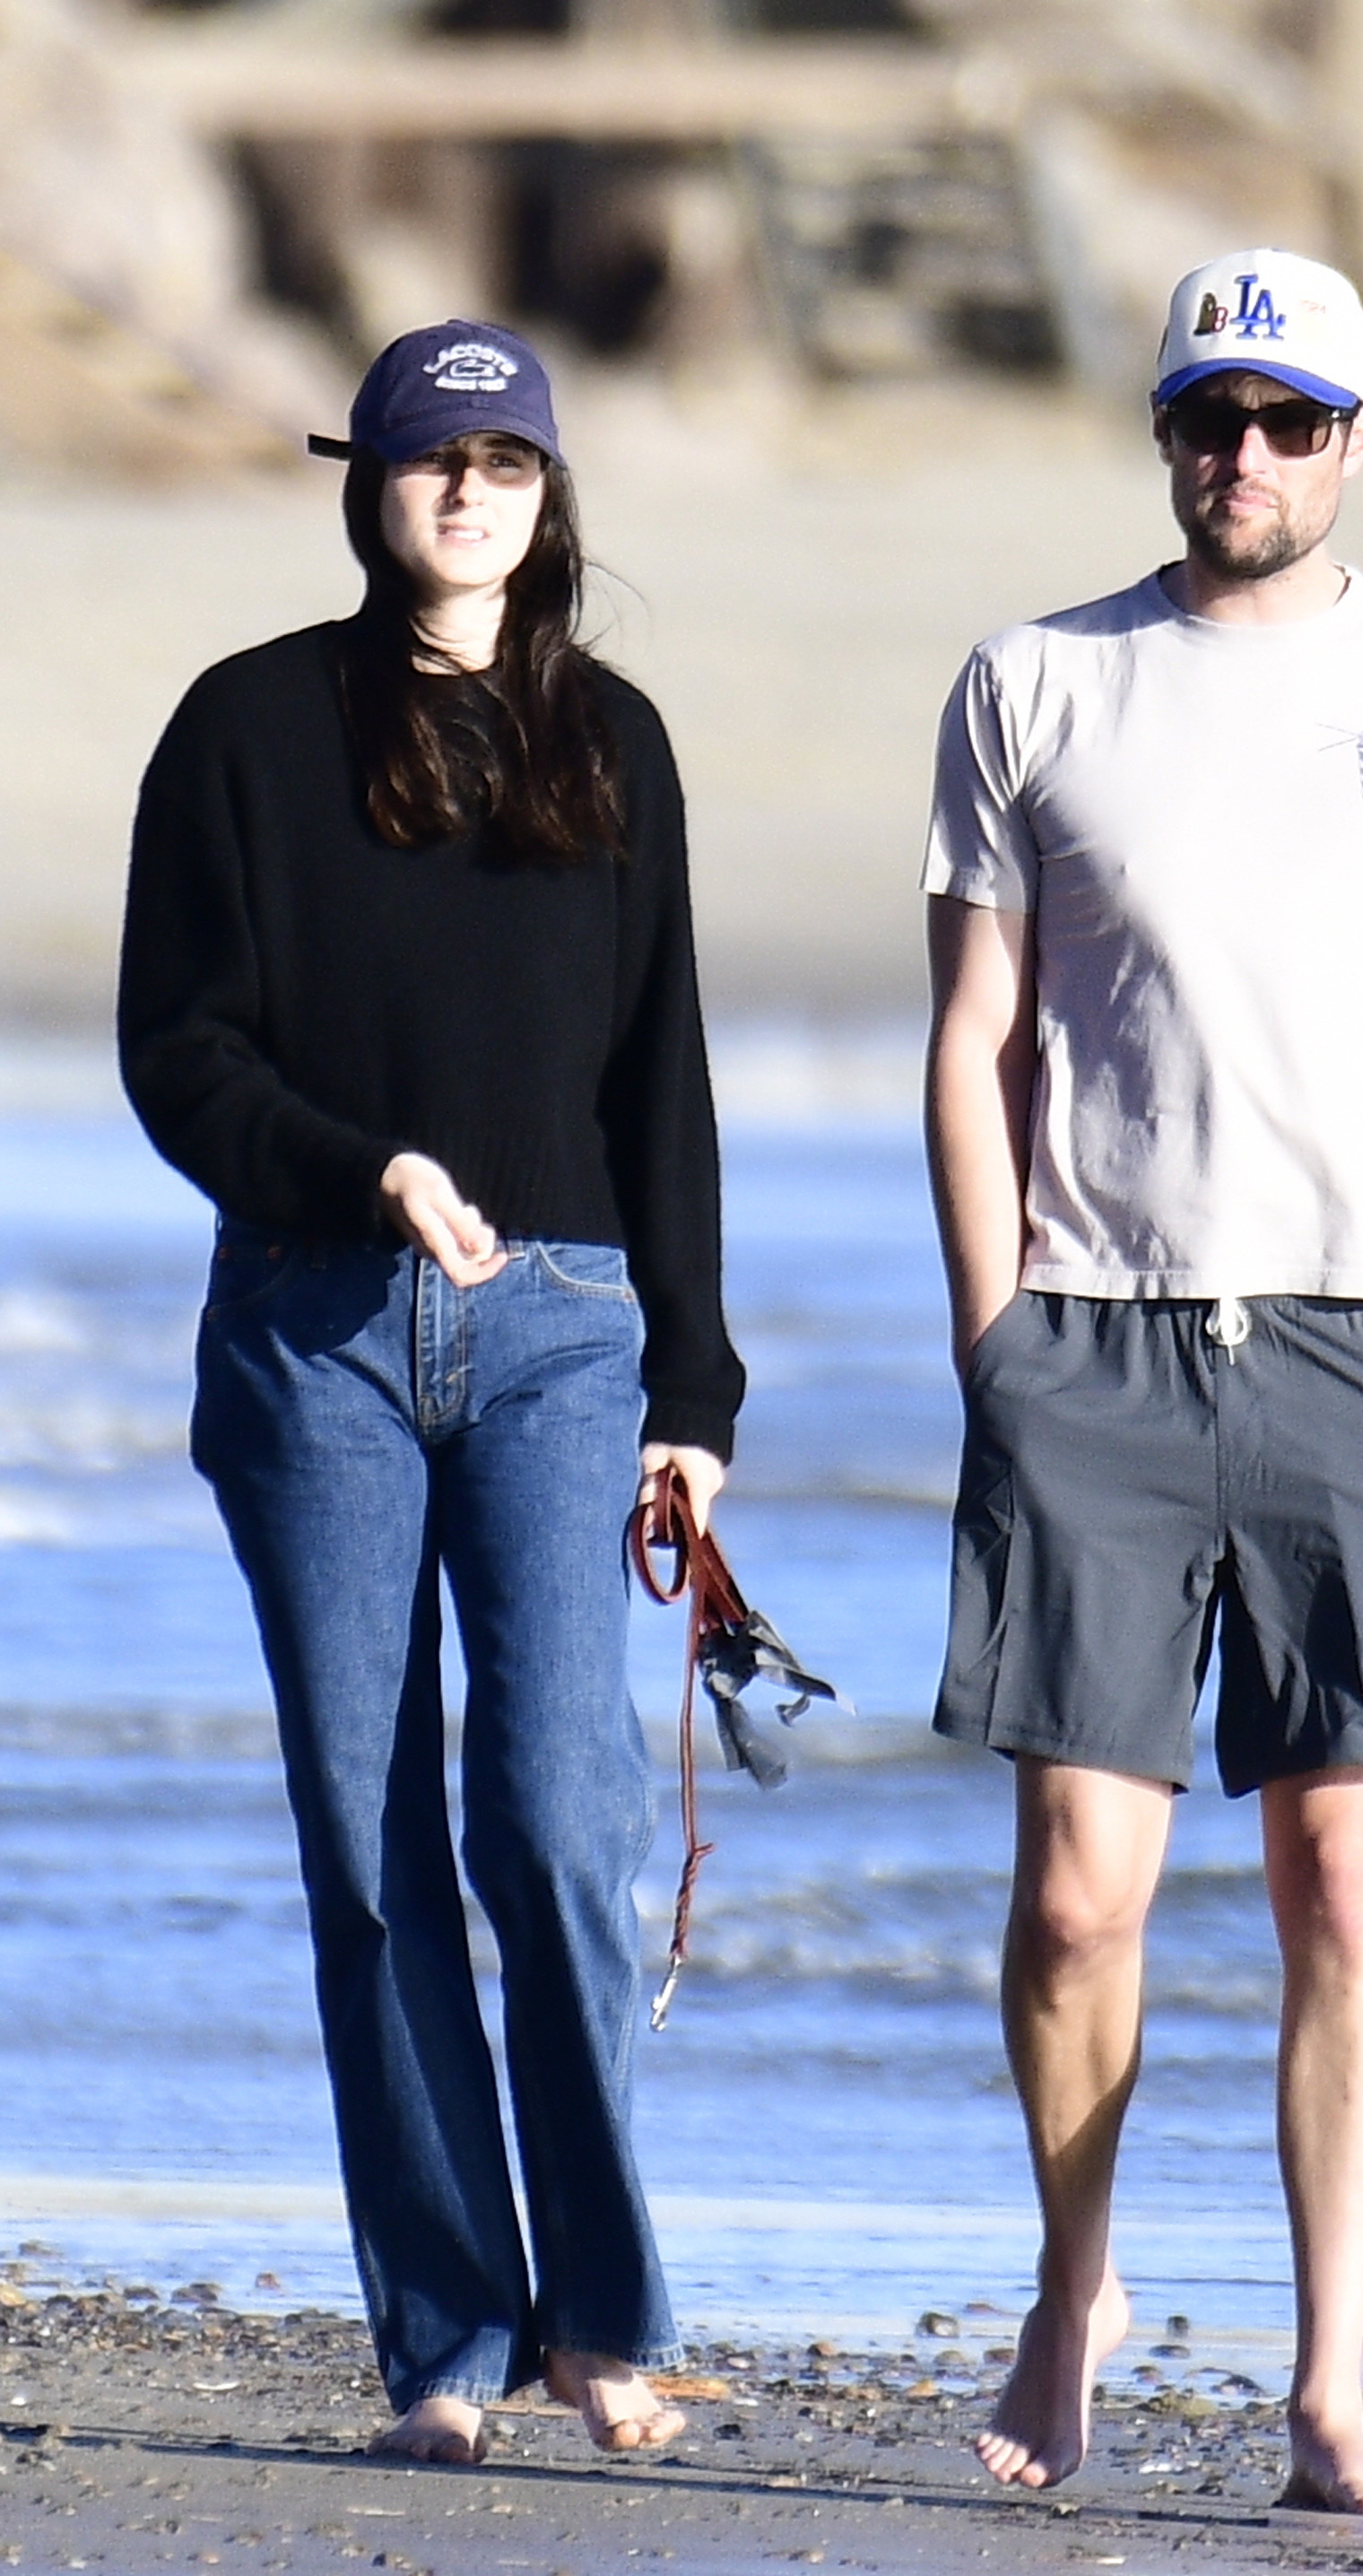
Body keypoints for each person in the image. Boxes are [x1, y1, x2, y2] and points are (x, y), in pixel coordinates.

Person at [924, 248, 1363, 2515]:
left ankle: (1327, 2393)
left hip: (1355, 1338)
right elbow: (974, 1036)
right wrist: (989, 1326)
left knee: (1340, 1880)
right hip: (1092, 1339)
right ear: (1164, 433)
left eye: (1287, 421)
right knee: (1077, 1894)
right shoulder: (1032, 679)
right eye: (1209, 416)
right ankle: (1067, 2297)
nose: (1244, 456)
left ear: (1356, 440)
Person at [118, 320, 743, 2467]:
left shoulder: (618, 742)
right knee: (372, 1845)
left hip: (568, 1330)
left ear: (548, 490)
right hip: (315, 1329)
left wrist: (695, 1380)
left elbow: (663, 1077)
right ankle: (450, 2351)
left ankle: (606, 2323)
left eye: (504, 457)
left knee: (555, 1824)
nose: (467, 490)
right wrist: (358, 1170)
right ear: (366, 483)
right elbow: (177, 1055)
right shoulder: (243, 732)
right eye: (428, 457)